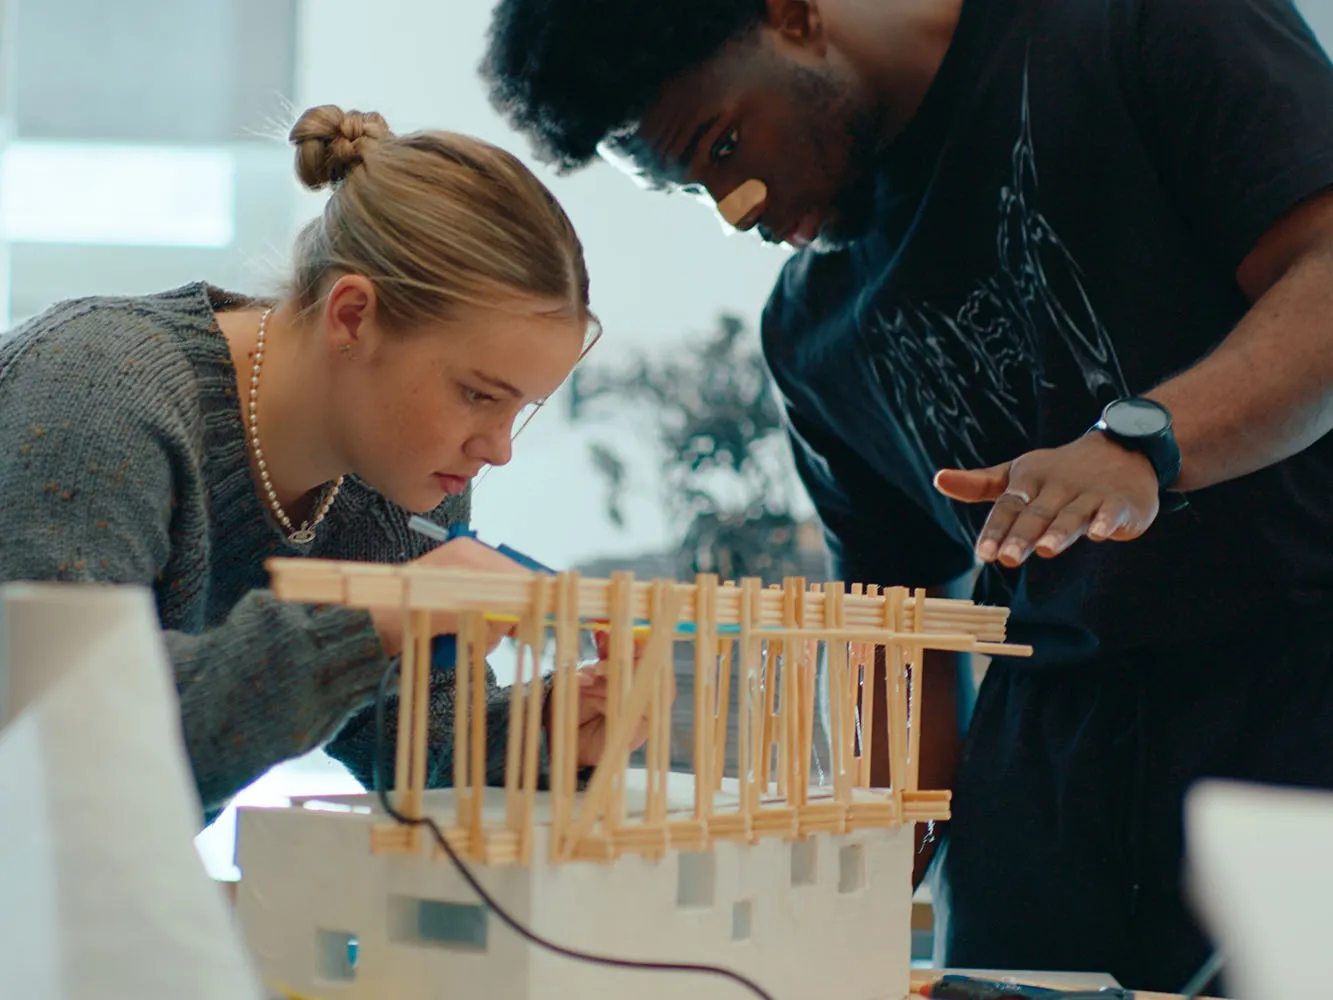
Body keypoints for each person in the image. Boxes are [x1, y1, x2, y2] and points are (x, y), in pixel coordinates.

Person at [480, 0, 1333, 992]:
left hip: (1294, 698)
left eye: (725, 144)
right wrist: (873, 866)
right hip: (1046, 790)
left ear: (793, 16)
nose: (738, 208)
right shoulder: (810, 325)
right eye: (695, 189)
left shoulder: (1129, 25)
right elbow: (896, 622)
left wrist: (1140, 443)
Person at [0, 104, 631, 826]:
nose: (497, 448)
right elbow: (61, 754)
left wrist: (544, 729)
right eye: (477, 395)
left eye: (521, 409)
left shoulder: (401, 481)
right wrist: (365, 621)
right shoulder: (97, 395)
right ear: (353, 316)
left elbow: (402, 726)